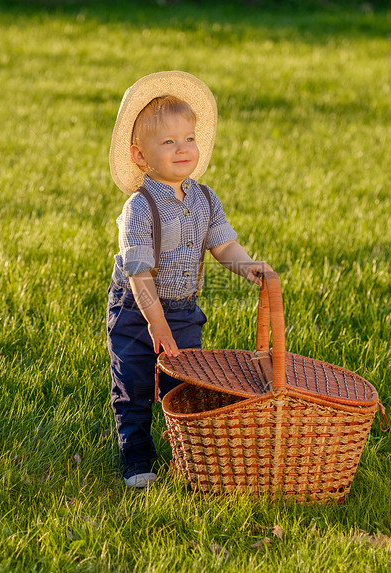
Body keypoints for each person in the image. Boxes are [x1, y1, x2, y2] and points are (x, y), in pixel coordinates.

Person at [106, 71, 274, 488]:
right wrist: (154, 323)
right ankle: (137, 455)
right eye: (168, 142)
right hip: (136, 309)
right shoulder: (139, 208)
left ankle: (187, 452)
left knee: (185, 383)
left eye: (189, 138)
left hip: (182, 310)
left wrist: (248, 264)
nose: (183, 149)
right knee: (136, 381)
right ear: (140, 156)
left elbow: (222, 245)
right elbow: (139, 272)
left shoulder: (205, 198)